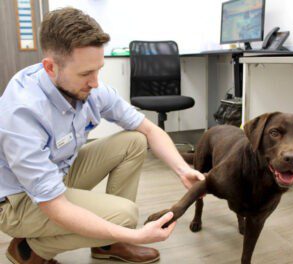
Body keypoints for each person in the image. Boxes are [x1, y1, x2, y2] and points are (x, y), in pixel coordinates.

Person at [0, 7, 204, 264]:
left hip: (57, 173)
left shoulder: (91, 88)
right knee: (126, 216)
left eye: (98, 69)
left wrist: (181, 169)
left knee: (134, 140)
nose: (96, 82)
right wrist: (135, 234)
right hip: (16, 200)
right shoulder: (22, 112)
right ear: (50, 68)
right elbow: (54, 206)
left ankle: (107, 245)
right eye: (86, 73)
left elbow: (149, 129)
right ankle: (32, 250)